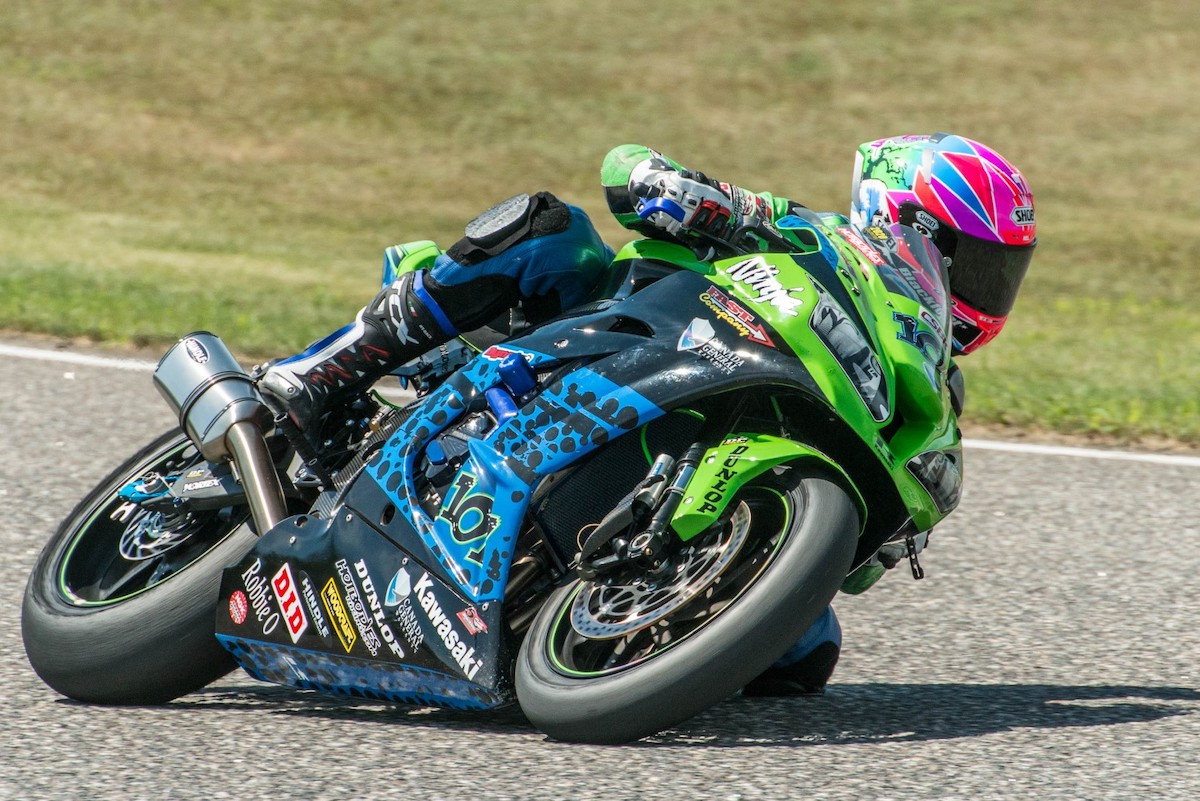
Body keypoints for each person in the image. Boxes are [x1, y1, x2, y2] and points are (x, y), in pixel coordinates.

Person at [259, 134, 1038, 695]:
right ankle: (328, 369)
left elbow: (860, 566)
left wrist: (892, 524)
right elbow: (625, 170)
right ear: (909, 219)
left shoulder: (930, 384)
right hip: (618, 330)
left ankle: (591, 621)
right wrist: (683, 194)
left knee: (805, 658)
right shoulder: (804, 230)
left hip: (728, 437)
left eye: (1004, 270)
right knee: (550, 229)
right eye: (976, 259)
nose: (987, 285)